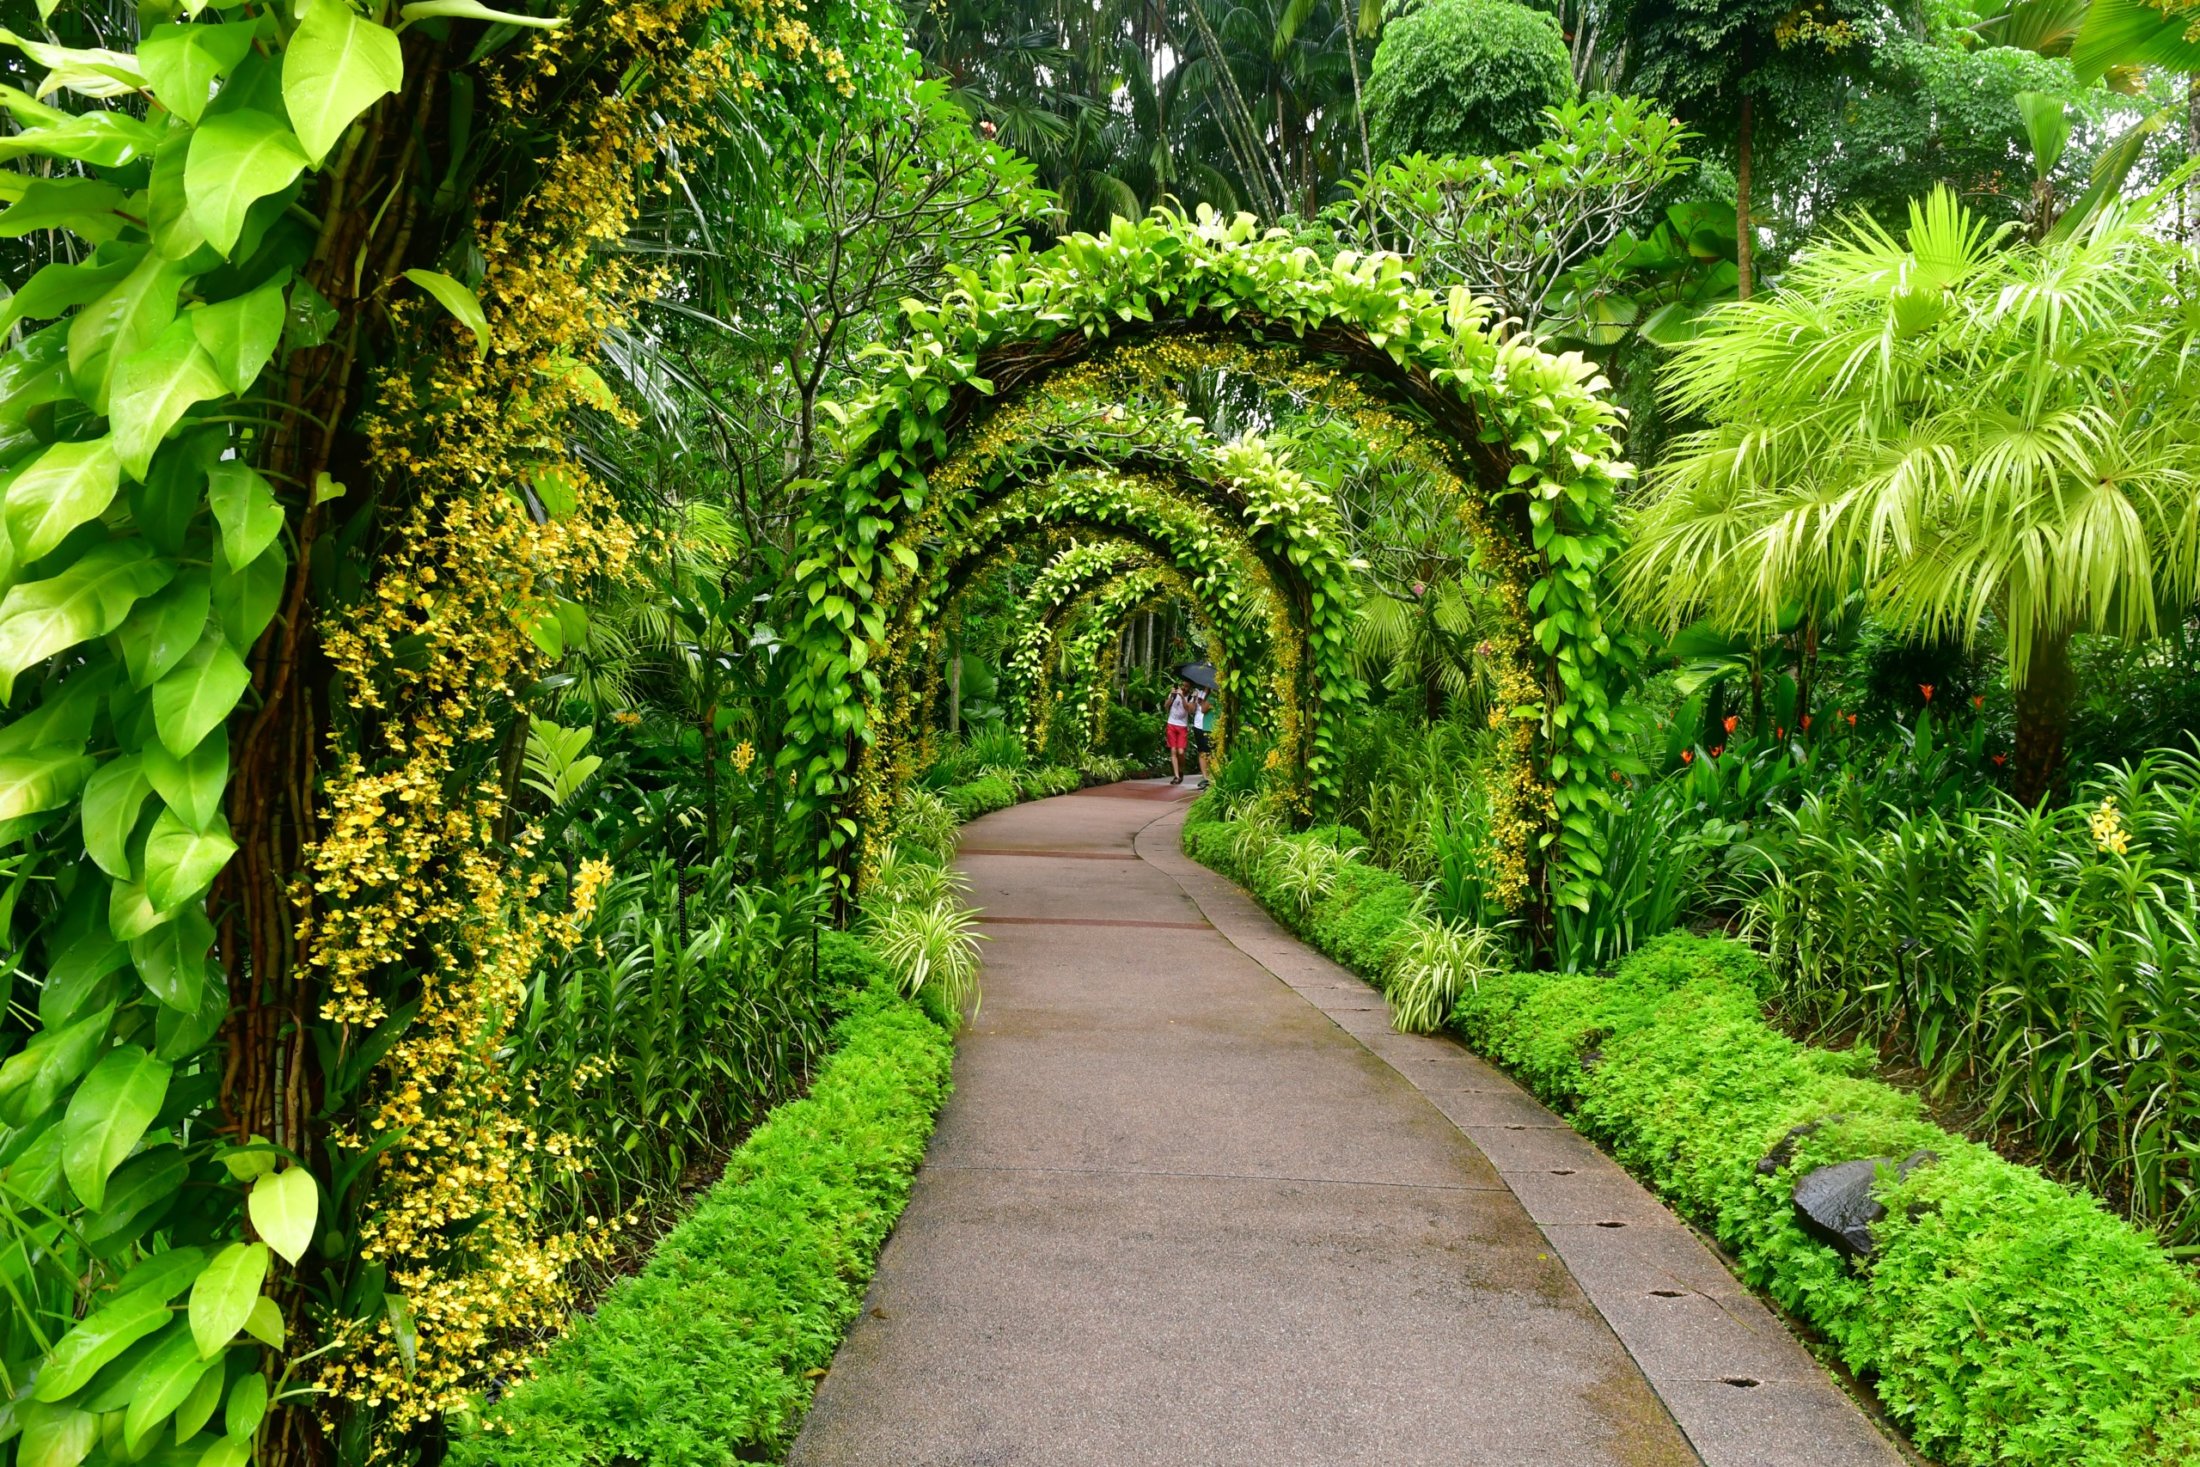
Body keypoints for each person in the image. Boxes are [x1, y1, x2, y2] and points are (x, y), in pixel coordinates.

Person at [1163, 679, 1195, 784]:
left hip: (1182, 726)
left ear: (1189, 688)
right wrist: (1172, 696)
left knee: (1181, 752)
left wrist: (1182, 697)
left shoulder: (1190, 697)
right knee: (1173, 750)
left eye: (1186, 686)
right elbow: (1166, 706)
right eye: (1182, 685)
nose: (1183, 688)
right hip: (1171, 724)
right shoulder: (1174, 694)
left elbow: (1189, 710)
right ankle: (1176, 776)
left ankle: (1181, 771)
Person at [1190, 687, 1216, 787]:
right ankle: (1205, 778)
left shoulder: (1213, 696)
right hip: (1199, 726)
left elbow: (1203, 709)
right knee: (1202, 752)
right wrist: (1195, 698)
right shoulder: (1198, 691)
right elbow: (1192, 709)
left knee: (1210, 753)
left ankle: (1212, 777)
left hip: (1210, 727)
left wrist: (1204, 696)